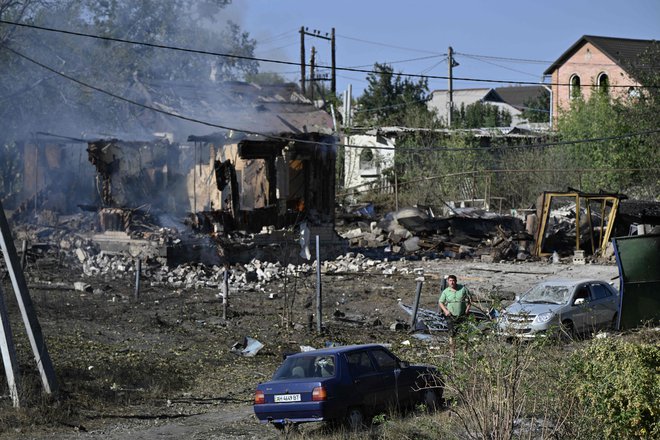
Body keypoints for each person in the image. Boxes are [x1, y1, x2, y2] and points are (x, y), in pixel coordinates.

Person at [438, 274, 472, 353]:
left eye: (453, 281)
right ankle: (452, 354)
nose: (452, 282)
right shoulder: (446, 291)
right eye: (450, 281)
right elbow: (440, 302)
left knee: (464, 334)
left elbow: (470, 299)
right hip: (451, 316)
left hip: (462, 315)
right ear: (448, 282)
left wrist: (467, 309)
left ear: (456, 281)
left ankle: (465, 353)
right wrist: (445, 311)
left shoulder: (463, 289)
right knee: (452, 335)